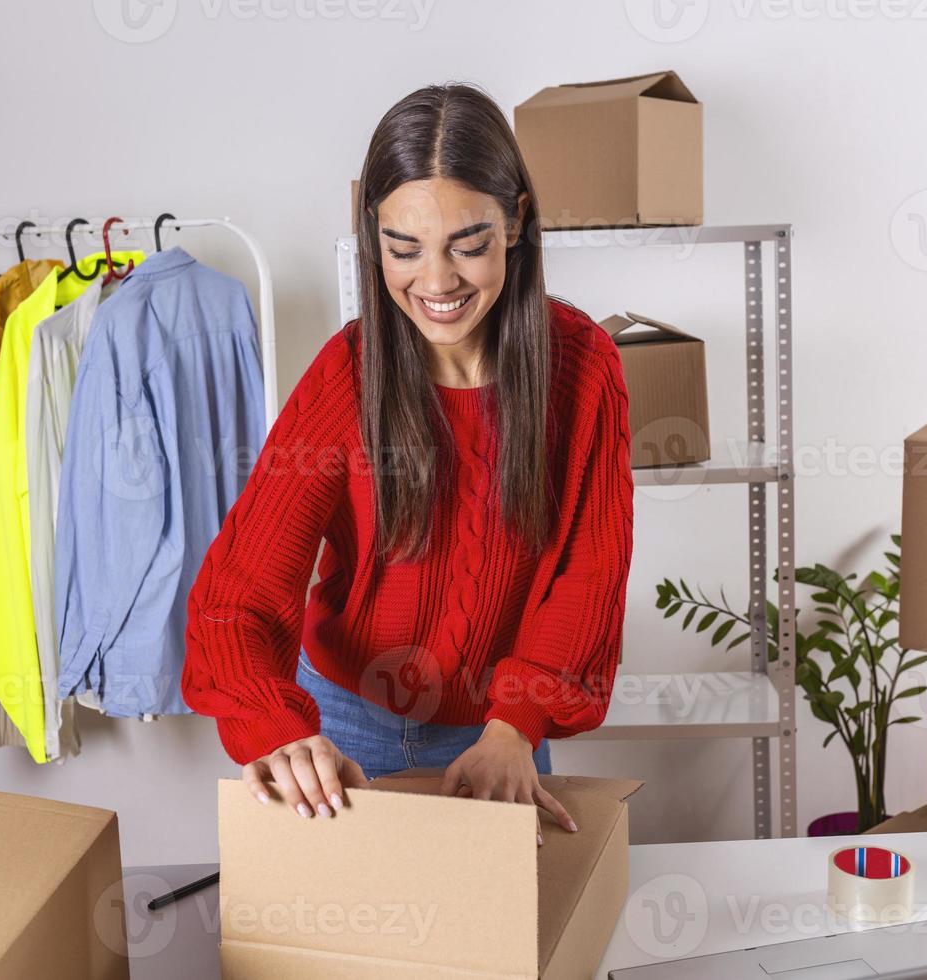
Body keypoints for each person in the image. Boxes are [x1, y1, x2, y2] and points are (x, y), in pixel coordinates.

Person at [182, 81, 634, 844]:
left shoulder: (583, 367)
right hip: (341, 721)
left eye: (468, 243)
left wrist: (515, 727)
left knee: (498, 950)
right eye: (404, 248)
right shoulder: (346, 375)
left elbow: (588, 579)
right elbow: (240, 591)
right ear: (372, 237)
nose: (436, 281)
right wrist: (272, 724)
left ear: (517, 219)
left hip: (498, 735)